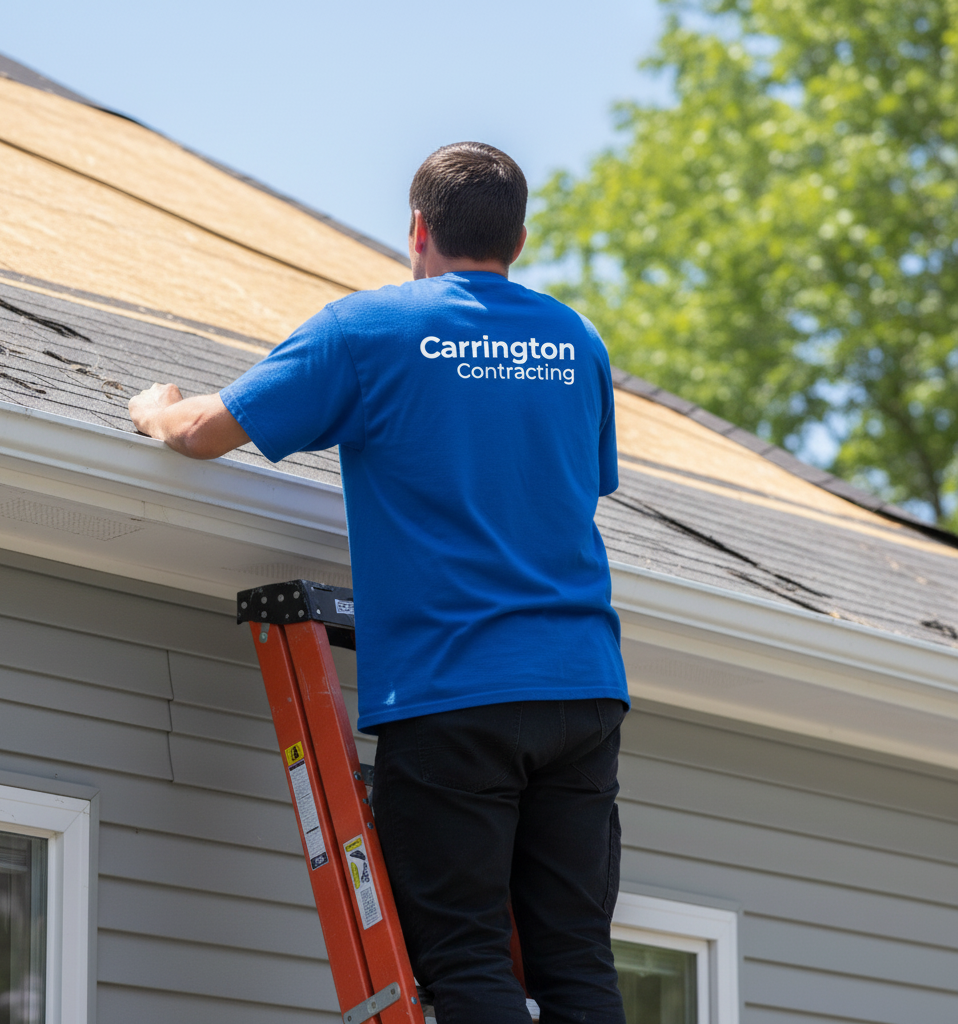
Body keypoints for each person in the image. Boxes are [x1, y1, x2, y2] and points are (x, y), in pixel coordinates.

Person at [129, 142, 629, 1024]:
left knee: (469, 960)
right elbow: (572, 486)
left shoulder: (368, 331)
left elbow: (207, 431)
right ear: (520, 238)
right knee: (578, 968)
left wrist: (155, 408)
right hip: (583, 691)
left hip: (455, 690)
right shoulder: (576, 341)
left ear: (417, 229)